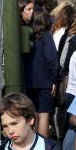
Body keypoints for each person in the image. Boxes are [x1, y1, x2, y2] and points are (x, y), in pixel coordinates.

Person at [23, 8, 59, 138]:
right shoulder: (46, 36)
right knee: (44, 114)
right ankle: (42, 146)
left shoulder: (28, 35)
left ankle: (33, 143)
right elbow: (52, 58)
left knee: (34, 114)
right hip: (45, 81)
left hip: (29, 81)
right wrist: (55, 79)